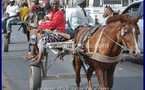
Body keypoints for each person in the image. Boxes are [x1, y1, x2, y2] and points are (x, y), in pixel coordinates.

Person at [29, 0, 70, 66]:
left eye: (56, 4)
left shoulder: (59, 13)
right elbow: (47, 17)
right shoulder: (52, 12)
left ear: (58, 5)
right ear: (50, 5)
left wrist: (42, 25)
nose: (55, 5)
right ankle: (36, 53)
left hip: (59, 34)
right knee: (34, 36)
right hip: (53, 32)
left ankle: (39, 60)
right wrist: (44, 20)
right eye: (53, 4)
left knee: (43, 39)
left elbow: (53, 24)